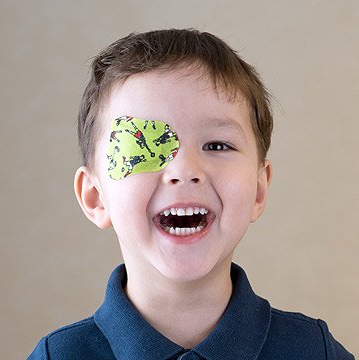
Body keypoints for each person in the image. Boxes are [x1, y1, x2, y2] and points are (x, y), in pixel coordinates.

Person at [28, 29, 354, 359]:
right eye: (147, 147)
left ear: (258, 188)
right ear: (95, 198)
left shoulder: (315, 351)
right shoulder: (57, 355)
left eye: (217, 145)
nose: (185, 170)